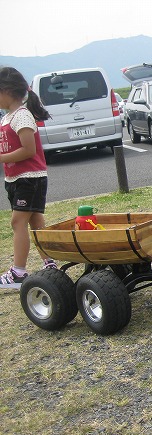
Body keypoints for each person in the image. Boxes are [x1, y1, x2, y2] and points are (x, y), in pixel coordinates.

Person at [0, 67, 57, 289]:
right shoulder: (8, 117)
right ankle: (49, 262)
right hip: (16, 178)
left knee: (18, 221)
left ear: (6, 91)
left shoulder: (22, 115)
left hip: (29, 178)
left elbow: (29, 150)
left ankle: (18, 272)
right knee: (35, 222)